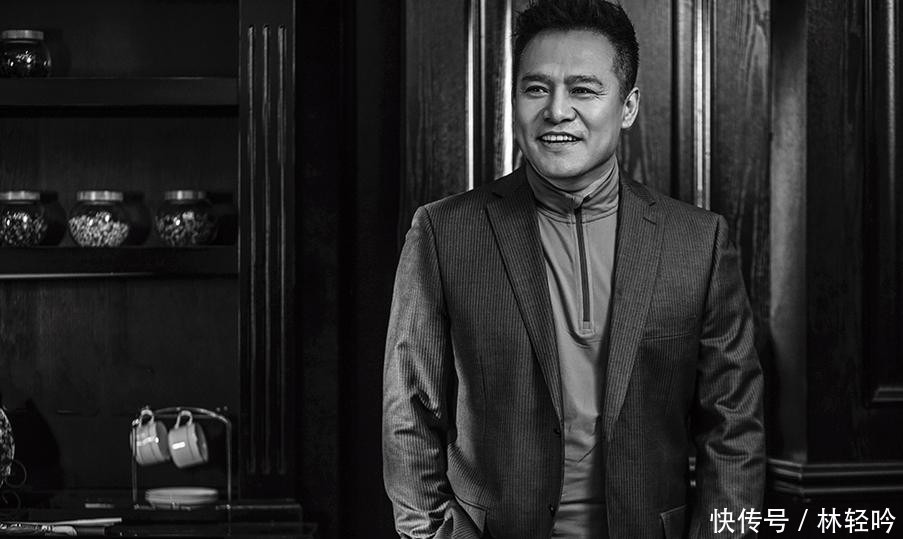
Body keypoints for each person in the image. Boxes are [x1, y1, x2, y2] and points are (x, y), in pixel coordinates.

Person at [382, 0, 765, 537]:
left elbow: (733, 427)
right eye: (536, 88)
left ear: (628, 107)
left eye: (583, 90)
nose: (557, 111)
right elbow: (409, 415)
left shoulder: (698, 242)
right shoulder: (444, 233)